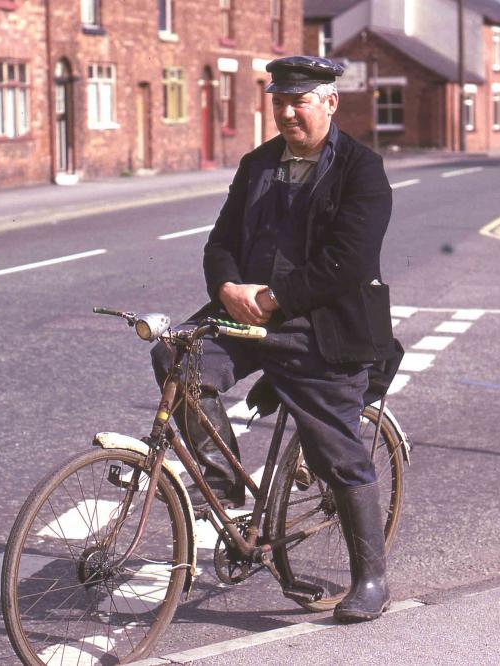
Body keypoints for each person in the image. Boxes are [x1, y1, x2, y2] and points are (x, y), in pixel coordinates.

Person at [151, 55, 397, 623]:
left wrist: (274, 299)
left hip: (320, 327)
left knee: (339, 454)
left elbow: (348, 262)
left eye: (299, 101)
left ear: (329, 103)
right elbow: (220, 240)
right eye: (279, 101)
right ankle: (225, 489)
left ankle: (371, 579)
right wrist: (228, 284)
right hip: (247, 313)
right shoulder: (259, 163)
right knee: (174, 355)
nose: (287, 112)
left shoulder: (362, 169)